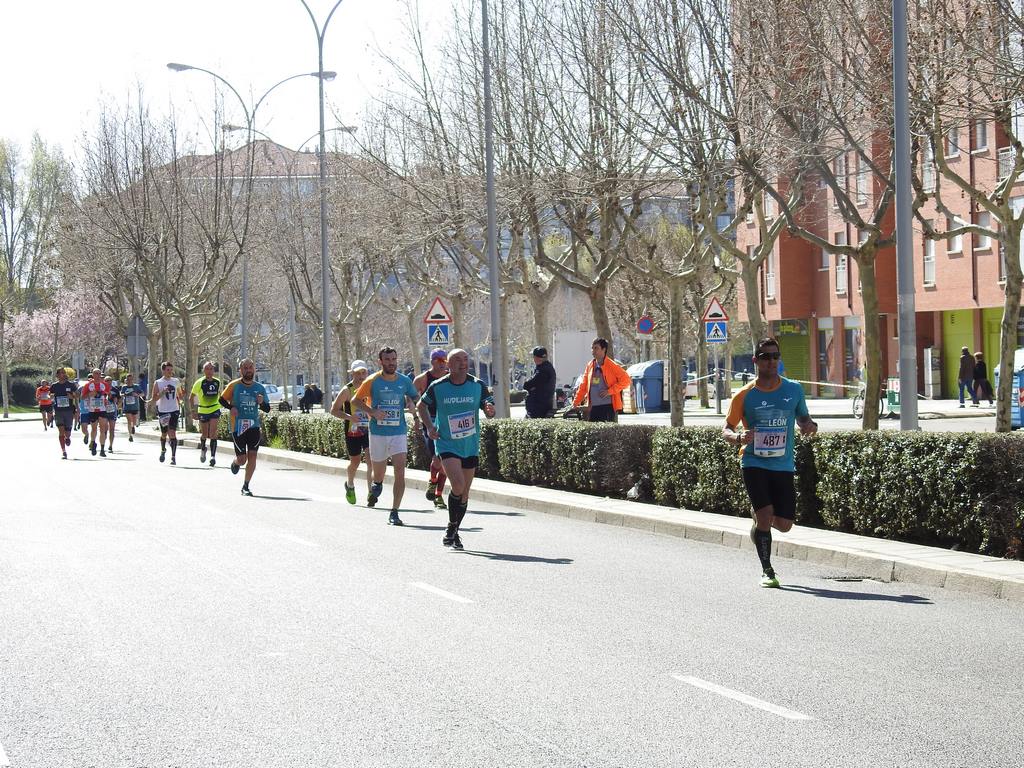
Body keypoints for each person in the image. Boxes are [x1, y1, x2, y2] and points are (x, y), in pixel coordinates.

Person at [723, 337, 818, 589]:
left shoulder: (793, 390)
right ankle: (767, 570)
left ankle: (758, 522)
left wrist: (810, 426)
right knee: (765, 515)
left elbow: (804, 418)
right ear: (756, 361)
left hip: (783, 464)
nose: (772, 361)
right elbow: (726, 429)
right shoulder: (744, 395)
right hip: (753, 461)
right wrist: (738, 437)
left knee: (785, 525)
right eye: (766, 357)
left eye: (775, 356)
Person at [418, 348, 496, 550]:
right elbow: (420, 406)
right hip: (446, 443)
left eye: (465, 359)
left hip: (469, 444)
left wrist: (489, 410)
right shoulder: (438, 386)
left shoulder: (478, 385)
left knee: (465, 494)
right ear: (449, 365)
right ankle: (452, 528)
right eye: (458, 360)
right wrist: (429, 426)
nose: (463, 362)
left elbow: (489, 406)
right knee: (458, 485)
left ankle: (454, 529)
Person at [353, 346, 420, 525]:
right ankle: (377, 484)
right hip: (378, 433)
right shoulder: (372, 380)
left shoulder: (404, 381)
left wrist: (414, 408)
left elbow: (415, 397)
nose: (391, 363)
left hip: (398, 431)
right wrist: (372, 411)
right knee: (379, 474)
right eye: (387, 360)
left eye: (394, 359)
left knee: (400, 470)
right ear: (380, 362)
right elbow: (355, 401)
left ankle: (395, 511)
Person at [220, 358, 270, 496]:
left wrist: (261, 403)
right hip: (238, 425)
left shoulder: (259, 388)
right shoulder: (234, 385)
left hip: (253, 426)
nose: (248, 370)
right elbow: (221, 400)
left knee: (252, 456)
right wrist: (231, 408)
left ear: (254, 369)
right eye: (245, 368)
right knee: (243, 459)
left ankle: (246, 486)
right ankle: (236, 462)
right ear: (240, 370)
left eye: (250, 367)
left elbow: (267, 409)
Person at [329, 359, 373, 504]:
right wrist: (349, 417)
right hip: (352, 431)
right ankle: (350, 484)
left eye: (363, 372)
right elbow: (334, 410)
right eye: (358, 373)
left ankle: (371, 494)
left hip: (369, 429)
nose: (361, 376)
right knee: (355, 462)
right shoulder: (347, 390)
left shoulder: (371, 387)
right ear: (352, 374)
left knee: (370, 459)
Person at [413, 349, 450, 510]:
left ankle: (438, 494)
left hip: (447, 423)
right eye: (441, 361)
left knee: (447, 460)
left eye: (446, 362)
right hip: (430, 422)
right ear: (433, 361)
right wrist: (416, 419)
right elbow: (412, 401)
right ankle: (433, 481)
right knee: (437, 459)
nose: (444, 365)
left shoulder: (450, 379)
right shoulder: (422, 379)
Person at [572, 337, 630, 422]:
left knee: (607, 433)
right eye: (592, 348)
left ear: (604, 349)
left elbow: (626, 380)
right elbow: (583, 385)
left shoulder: (612, 365)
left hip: (608, 407)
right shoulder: (590, 365)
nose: (593, 351)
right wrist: (575, 402)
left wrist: (610, 391)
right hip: (593, 407)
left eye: (596, 348)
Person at [190, 361, 223, 466]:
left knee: (213, 433)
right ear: (203, 370)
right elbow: (191, 398)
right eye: (207, 369)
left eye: (211, 369)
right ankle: (203, 449)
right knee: (205, 434)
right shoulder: (199, 382)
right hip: (203, 410)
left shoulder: (217, 382)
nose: (209, 371)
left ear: (214, 370)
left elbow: (220, 394)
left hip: (215, 409)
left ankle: (213, 456)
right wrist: (193, 411)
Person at [151, 361, 184, 465]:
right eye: (167, 370)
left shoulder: (176, 381)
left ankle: (173, 457)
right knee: (164, 433)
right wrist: (162, 392)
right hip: (163, 411)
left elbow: (180, 394)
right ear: (163, 370)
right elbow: (154, 398)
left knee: (172, 432)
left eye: (171, 370)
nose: (170, 372)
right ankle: (163, 449)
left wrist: (181, 397)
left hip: (174, 410)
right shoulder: (158, 382)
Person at [79, 369, 111, 457]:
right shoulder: (88, 385)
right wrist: (90, 394)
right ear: (92, 375)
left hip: (102, 409)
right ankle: (93, 443)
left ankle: (102, 449)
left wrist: (106, 397)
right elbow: (82, 397)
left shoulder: (104, 385)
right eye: (96, 373)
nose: (97, 375)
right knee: (94, 429)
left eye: (99, 374)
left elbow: (108, 394)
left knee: (102, 429)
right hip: (92, 410)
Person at [49, 367, 78, 460]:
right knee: (61, 431)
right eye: (61, 373)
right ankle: (63, 451)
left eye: (64, 372)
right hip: (58, 411)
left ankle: (68, 438)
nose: (63, 374)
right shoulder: (54, 386)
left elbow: (77, 395)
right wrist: (51, 396)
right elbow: (50, 396)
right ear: (57, 375)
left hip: (69, 410)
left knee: (67, 433)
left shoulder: (71, 384)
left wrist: (72, 396)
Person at [523, 346, 556, 418]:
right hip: (539, 406)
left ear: (537, 358)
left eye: (534, 357)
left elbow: (528, 384)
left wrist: (528, 384)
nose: (533, 359)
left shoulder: (543, 370)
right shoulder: (546, 367)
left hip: (538, 408)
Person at [120, 373, 144, 442]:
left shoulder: (136, 387)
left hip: (135, 406)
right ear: (126, 380)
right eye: (128, 380)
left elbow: (143, 394)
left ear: (133, 380)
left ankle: (133, 426)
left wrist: (137, 394)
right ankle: (130, 435)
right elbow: (121, 393)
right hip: (127, 407)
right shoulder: (124, 387)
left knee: (134, 420)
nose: (129, 381)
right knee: (129, 420)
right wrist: (123, 395)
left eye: (131, 379)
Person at [102, 375, 121, 453]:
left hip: (112, 411)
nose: (108, 382)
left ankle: (110, 446)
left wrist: (117, 405)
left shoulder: (115, 390)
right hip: (104, 411)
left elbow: (120, 400)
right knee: (105, 429)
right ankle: (103, 444)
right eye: (107, 381)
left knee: (112, 429)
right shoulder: (102, 389)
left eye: (110, 380)